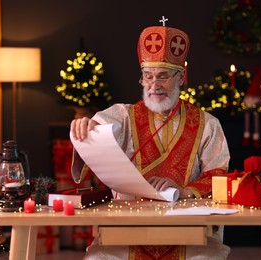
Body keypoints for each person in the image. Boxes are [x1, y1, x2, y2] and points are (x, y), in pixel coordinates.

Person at [70, 21, 231, 260]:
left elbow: (219, 178)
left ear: (181, 77)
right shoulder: (123, 116)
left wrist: (184, 191)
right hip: (127, 227)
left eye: (163, 76)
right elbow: (101, 126)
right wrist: (88, 128)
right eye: (148, 77)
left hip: (188, 229)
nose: (154, 85)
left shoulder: (208, 124)